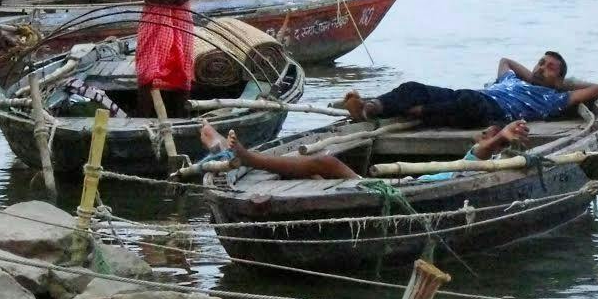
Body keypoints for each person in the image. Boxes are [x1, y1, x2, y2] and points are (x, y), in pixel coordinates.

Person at [336, 51, 598, 128]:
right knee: (413, 87)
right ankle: (370, 108)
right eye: (540, 62)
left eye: (550, 67)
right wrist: (533, 76)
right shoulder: (511, 80)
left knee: (468, 102)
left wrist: (555, 84)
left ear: (559, 79)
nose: (541, 67)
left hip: (491, 110)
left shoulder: (553, 98)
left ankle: (415, 112)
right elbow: (506, 61)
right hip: (473, 96)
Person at [197, 119, 532, 181]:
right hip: (401, 184)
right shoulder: (472, 160)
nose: (482, 136)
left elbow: (482, 152)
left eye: (486, 134)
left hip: (399, 189)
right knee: (314, 171)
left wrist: (501, 138)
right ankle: (224, 149)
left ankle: (247, 157)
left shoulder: (474, 163)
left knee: (326, 162)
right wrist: (498, 138)